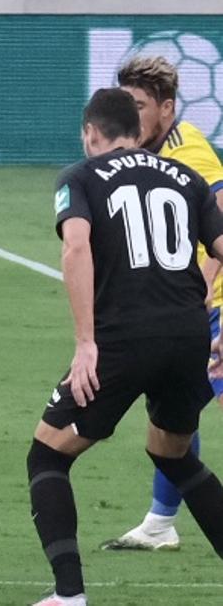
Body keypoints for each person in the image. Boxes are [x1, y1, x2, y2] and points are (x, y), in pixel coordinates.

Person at [27, 88, 223, 606]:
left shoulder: (80, 177)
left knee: (47, 453)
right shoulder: (187, 178)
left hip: (123, 339)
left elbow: (75, 248)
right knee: (172, 453)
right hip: (188, 338)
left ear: (91, 132)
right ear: (137, 132)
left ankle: (68, 595)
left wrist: (85, 343)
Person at [101, 56, 223, 552]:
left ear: (167, 108)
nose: (130, 114)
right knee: (174, 415)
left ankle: (161, 522)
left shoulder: (189, 151)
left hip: (208, 306)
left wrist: (204, 300)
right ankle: (160, 523)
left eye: (140, 105)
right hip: (184, 306)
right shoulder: (139, 152)